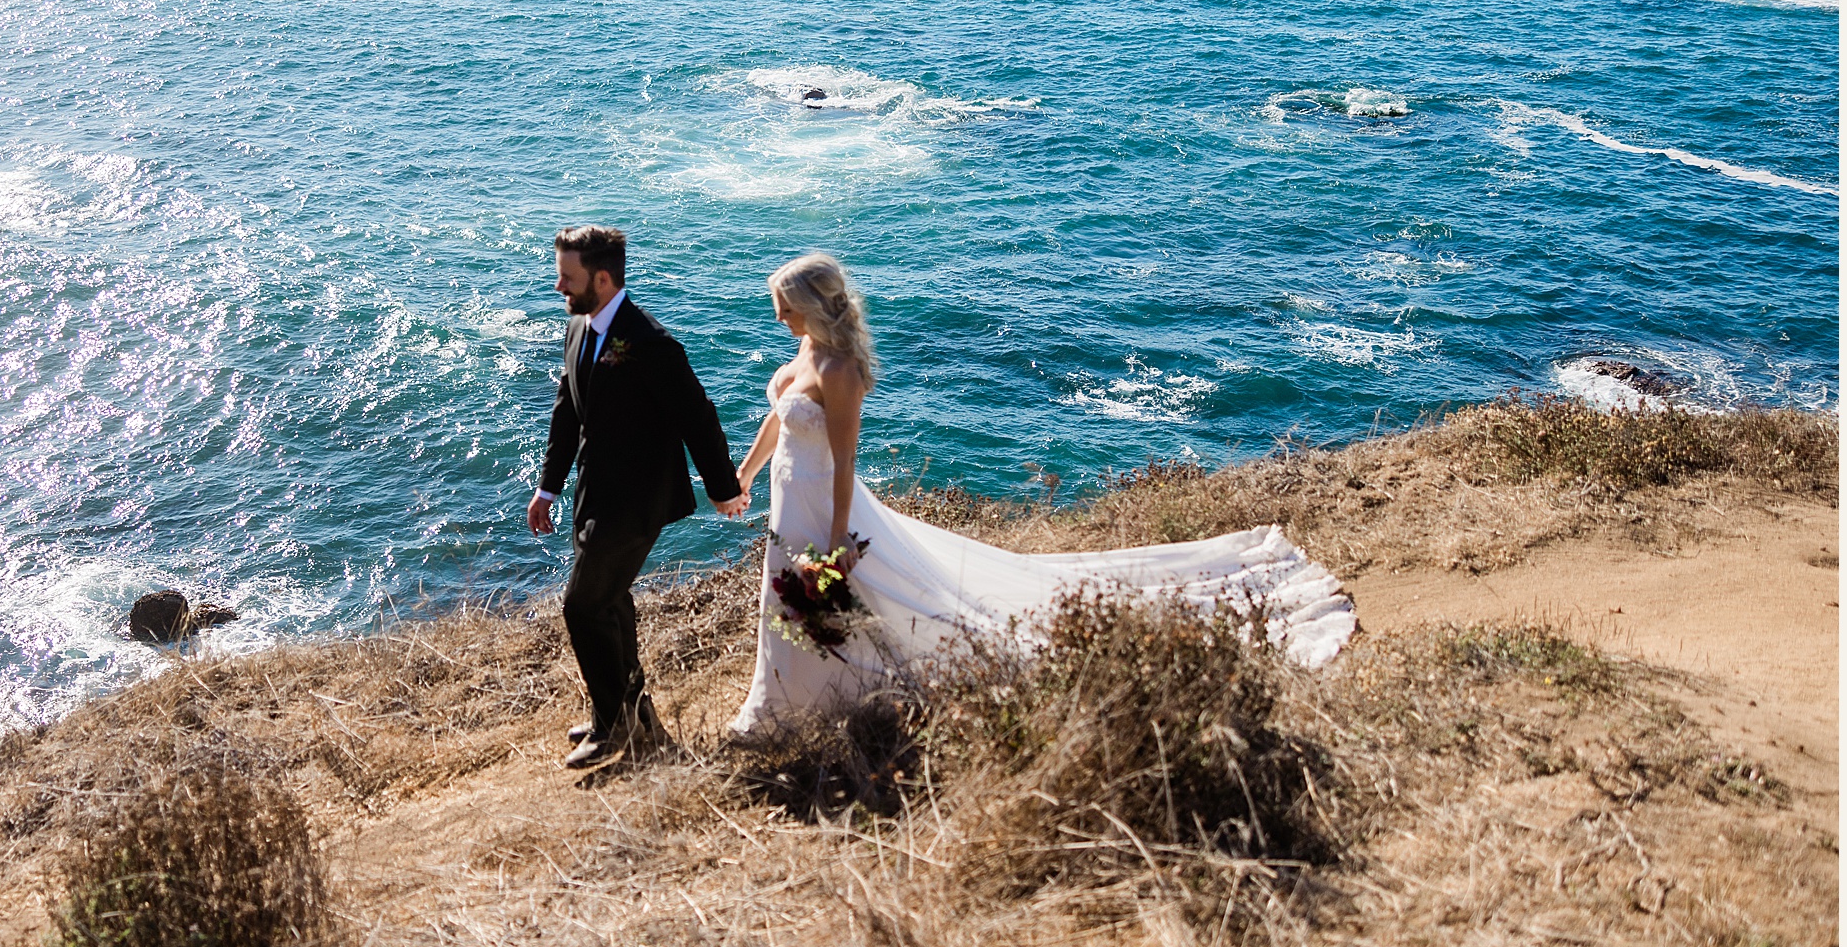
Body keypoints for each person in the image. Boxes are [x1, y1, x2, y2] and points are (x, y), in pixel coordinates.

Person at [726, 253, 1355, 732]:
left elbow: (845, 460)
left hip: (823, 500)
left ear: (811, 304)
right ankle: (788, 699)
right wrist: (747, 473)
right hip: (787, 496)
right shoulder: (807, 349)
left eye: (785, 306)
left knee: (852, 596)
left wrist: (839, 540)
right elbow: (780, 417)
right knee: (797, 601)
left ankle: (797, 704)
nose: (779, 317)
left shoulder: (839, 371)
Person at [530, 225, 745, 769]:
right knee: (612, 601)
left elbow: (698, 417)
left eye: (568, 277)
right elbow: (568, 409)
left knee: (583, 607)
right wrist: (548, 486)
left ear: (602, 278)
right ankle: (635, 712)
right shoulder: (580, 325)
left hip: (636, 502)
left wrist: (723, 489)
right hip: (591, 493)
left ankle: (613, 728)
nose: (559, 287)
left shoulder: (650, 342)